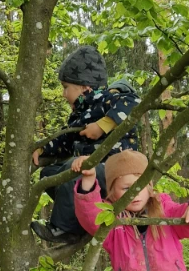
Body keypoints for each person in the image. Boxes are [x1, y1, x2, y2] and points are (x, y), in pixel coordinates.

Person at [31, 45, 140, 245]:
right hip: (92, 175)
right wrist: (43, 148)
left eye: (66, 87)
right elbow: (66, 141)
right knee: (49, 175)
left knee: (76, 172)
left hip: (115, 174)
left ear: (83, 86)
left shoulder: (106, 100)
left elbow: (134, 102)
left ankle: (61, 229)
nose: (64, 94)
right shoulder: (79, 115)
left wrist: (102, 125)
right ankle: (80, 221)